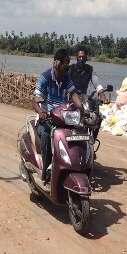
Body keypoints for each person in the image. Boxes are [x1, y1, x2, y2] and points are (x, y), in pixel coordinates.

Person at [33, 49, 83, 186]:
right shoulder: (45, 77)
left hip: (63, 118)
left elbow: (74, 94)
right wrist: (41, 112)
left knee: (77, 133)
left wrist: (82, 109)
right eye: (66, 63)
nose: (68, 65)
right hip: (47, 119)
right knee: (46, 135)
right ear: (57, 63)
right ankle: (47, 169)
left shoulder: (67, 78)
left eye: (68, 63)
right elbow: (35, 100)